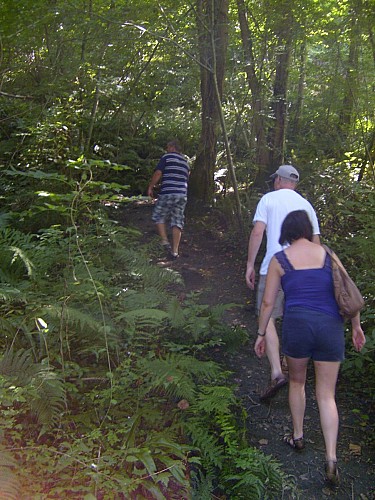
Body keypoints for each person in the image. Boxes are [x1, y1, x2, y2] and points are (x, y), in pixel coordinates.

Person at [255, 210, 366, 485]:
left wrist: (260, 333)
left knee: (296, 382)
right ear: (307, 228)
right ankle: (331, 458)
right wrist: (356, 326)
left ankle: (298, 436)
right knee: (327, 395)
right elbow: (347, 290)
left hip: (298, 325)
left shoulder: (280, 260)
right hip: (329, 326)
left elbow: (268, 303)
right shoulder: (327, 253)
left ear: (286, 232)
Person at [245, 165, 321, 400]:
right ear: (294, 183)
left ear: (278, 180)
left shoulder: (268, 199)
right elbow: (316, 242)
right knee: (295, 317)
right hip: (303, 271)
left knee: (266, 316)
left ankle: (277, 371)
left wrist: (250, 264)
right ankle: (295, 369)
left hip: (274, 267)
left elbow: (258, 232)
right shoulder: (307, 206)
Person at [147, 140, 190, 259]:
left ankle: (165, 241)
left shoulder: (166, 157)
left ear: (172, 147)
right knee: (177, 221)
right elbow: (186, 178)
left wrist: (151, 186)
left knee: (158, 215)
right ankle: (175, 251)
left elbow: (158, 173)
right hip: (182, 195)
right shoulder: (185, 162)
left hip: (168, 192)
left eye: (167, 147)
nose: (166, 149)